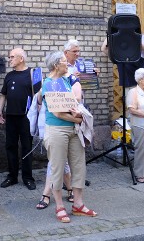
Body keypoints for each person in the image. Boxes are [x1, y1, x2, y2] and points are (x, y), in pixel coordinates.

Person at [40, 51, 96, 223]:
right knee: (57, 168)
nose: (68, 64)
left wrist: (76, 117)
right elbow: (57, 112)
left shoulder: (66, 80)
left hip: (74, 130)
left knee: (78, 166)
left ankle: (78, 204)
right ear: (56, 65)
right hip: (57, 130)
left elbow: (73, 103)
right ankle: (59, 206)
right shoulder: (49, 83)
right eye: (65, 62)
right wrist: (78, 119)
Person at [0, 47, 39, 190]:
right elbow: (4, 94)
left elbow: (39, 95)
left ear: (21, 58)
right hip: (11, 116)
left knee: (27, 147)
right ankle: (12, 176)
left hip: (26, 118)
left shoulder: (33, 74)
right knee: (11, 146)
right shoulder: (9, 76)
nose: (9, 60)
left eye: (12, 57)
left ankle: (27, 177)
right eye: (9, 57)